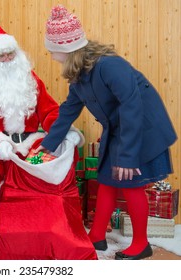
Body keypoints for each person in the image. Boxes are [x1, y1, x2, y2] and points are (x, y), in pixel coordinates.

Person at [34, 4, 177, 260]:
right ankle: (97, 235)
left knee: (131, 182)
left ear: (65, 49)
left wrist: (129, 156)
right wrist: (49, 143)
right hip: (120, 129)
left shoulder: (110, 66)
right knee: (108, 180)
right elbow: (68, 109)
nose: (51, 55)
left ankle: (141, 244)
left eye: (52, 50)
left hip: (141, 130)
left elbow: (132, 106)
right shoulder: (79, 75)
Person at [0, 25, 64, 249]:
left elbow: (49, 111)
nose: (8, 58)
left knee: (49, 147)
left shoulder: (29, 79)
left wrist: (60, 129)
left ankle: (37, 217)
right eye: (1, 55)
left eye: (11, 53)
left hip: (28, 139)